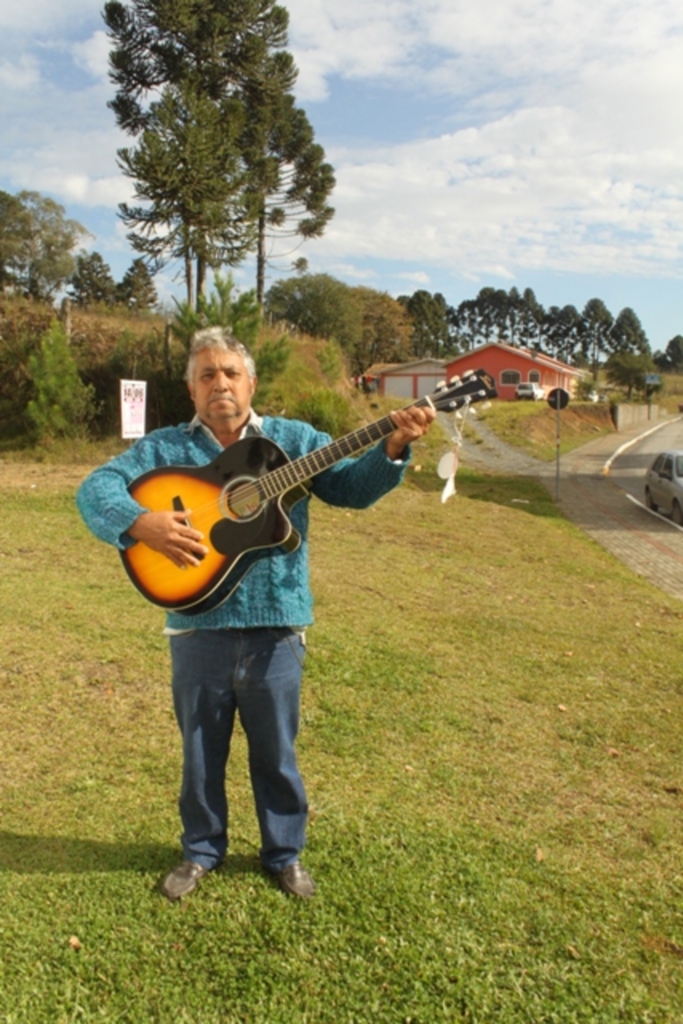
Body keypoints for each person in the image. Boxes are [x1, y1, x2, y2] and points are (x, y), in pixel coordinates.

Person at [76, 327, 435, 901]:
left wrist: (391, 447)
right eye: (207, 375)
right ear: (192, 390)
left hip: (277, 627)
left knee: (277, 752)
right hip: (197, 627)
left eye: (230, 373)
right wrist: (141, 523)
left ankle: (284, 853)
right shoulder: (164, 450)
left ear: (252, 383)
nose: (220, 384)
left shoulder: (294, 440)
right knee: (199, 752)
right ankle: (200, 850)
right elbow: (95, 489)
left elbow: (350, 488)